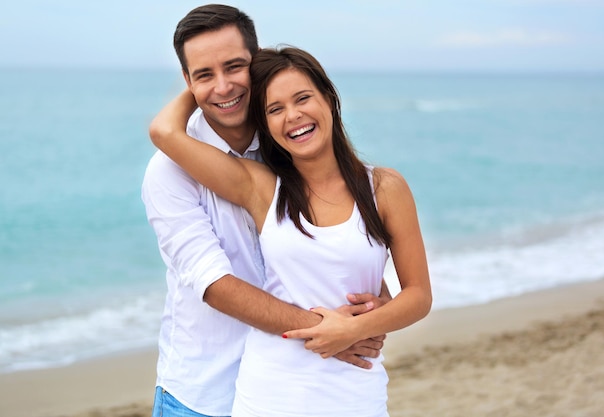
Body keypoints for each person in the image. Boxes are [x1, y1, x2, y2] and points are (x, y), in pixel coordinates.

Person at [149, 45, 432, 416]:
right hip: (270, 395)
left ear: (329, 98)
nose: (293, 116)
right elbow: (164, 132)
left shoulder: (384, 188)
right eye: (274, 109)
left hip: (356, 393)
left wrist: (353, 329)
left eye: (303, 98)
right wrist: (206, 83)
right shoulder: (262, 187)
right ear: (265, 124)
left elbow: (418, 296)